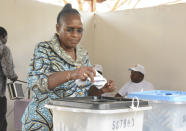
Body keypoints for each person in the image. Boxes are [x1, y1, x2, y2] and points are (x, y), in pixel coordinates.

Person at [22, 3, 115, 131]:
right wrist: (71, 74)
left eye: (79, 30)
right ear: (58, 28)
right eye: (70, 29)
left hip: (72, 122)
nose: (75, 35)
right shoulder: (44, 49)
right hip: (44, 121)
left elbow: (86, 92)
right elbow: (36, 84)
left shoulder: (83, 54)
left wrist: (101, 89)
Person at [0, 26, 18, 131]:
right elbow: (8, 70)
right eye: (6, 37)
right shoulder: (4, 49)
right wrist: (14, 77)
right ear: (3, 36)